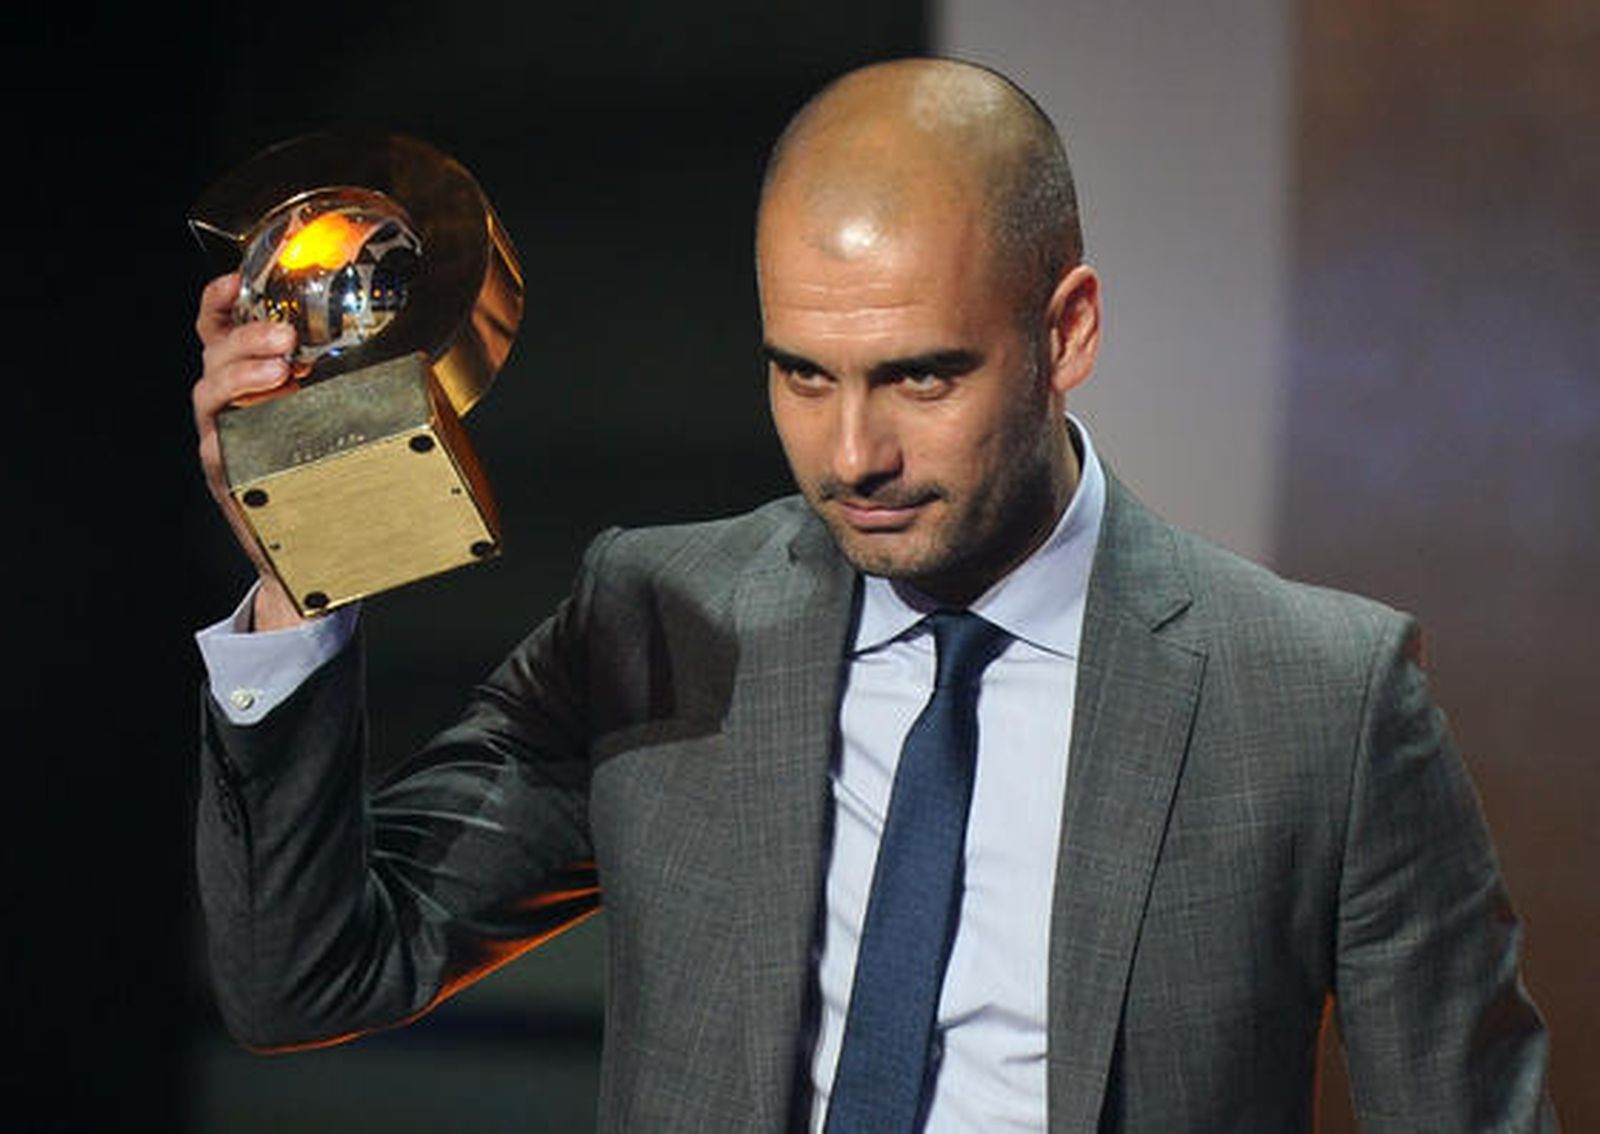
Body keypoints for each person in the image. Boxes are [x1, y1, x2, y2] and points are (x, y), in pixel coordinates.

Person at [191, 58, 1555, 1132]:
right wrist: (296, 535)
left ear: (1067, 327)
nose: (855, 457)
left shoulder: (1322, 697)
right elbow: (306, 975)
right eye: (802, 374)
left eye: (922, 375)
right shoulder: (659, 621)